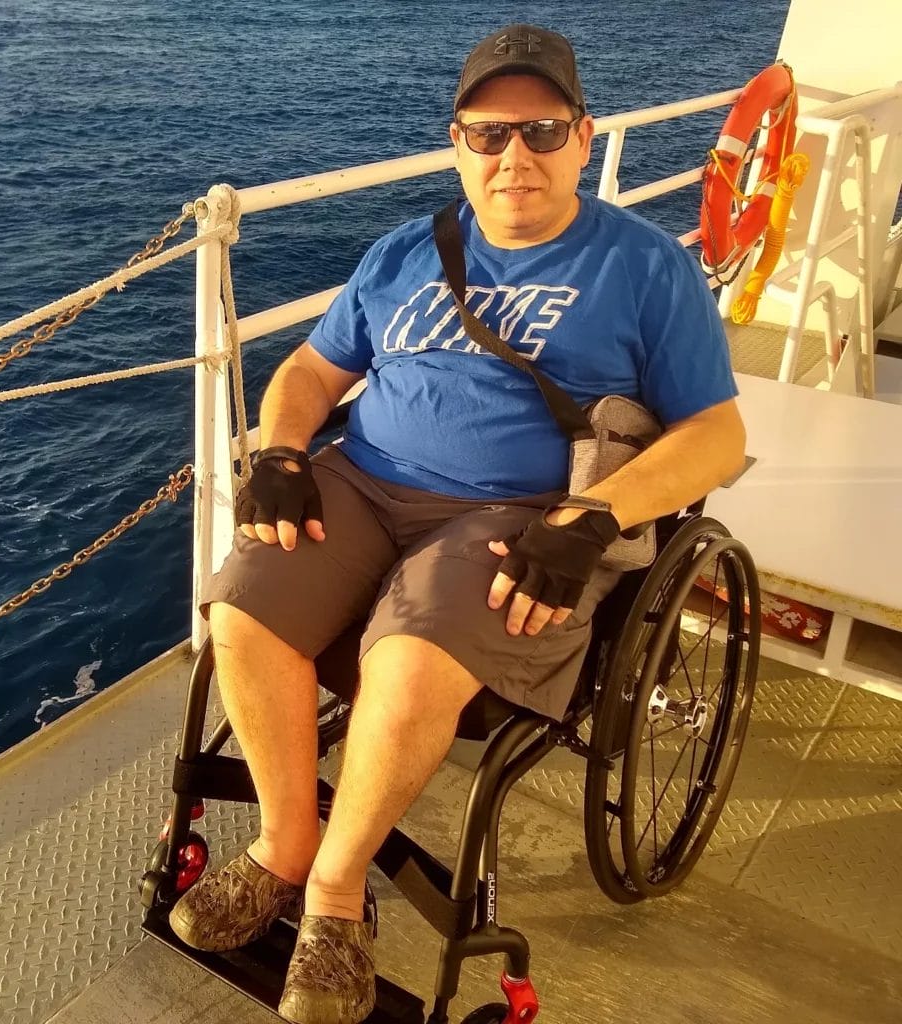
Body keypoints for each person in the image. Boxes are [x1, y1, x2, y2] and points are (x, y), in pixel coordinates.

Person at [169, 22, 746, 1024]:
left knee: (405, 659)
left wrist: (593, 515)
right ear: (456, 143)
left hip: (517, 516)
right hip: (366, 482)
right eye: (487, 135)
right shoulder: (402, 252)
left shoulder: (646, 269)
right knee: (242, 609)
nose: (512, 156)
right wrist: (278, 454)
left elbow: (717, 437)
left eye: (540, 131)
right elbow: (311, 371)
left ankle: (337, 898)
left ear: (581, 136)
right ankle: (284, 844)